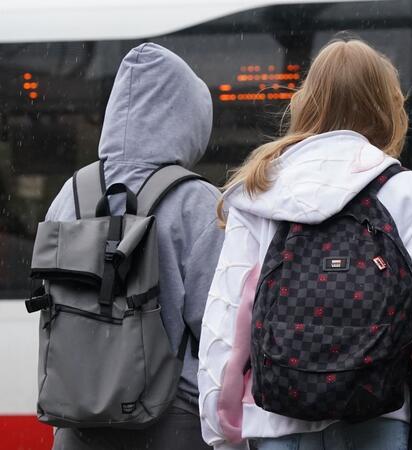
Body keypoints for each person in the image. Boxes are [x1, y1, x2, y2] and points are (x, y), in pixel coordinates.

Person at [198, 38, 412, 450]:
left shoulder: (259, 192)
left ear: (308, 102)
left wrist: (225, 431)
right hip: (377, 417)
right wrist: (383, 362)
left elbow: (229, 325)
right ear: (387, 105)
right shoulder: (408, 192)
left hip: (275, 421)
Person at [47, 43, 223, 449]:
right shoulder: (198, 201)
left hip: (78, 421)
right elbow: (216, 328)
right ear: (189, 118)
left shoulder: (70, 194)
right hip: (172, 422)